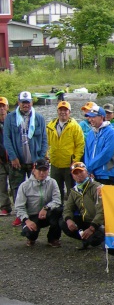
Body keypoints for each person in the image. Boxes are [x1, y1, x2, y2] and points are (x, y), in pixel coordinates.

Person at [4, 91, 48, 219]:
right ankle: (20, 215)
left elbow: (44, 140)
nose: (25, 105)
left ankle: (36, 214)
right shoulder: (10, 118)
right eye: (23, 102)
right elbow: (7, 139)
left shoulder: (39, 118)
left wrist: (39, 159)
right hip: (17, 161)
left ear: (31, 103)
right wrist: (13, 157)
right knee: (17, 188)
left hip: (34, 160)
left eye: (27, 102)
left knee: (37, 187)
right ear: (18, 103)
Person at [14, 159, 62, 248]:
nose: (42, 173)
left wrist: (46, 208)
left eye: (45, 170)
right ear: (33, 170)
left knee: (59, 211)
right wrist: (27, 220)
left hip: (47, 213)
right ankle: (31, 237)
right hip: (32, 216)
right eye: (39, 170)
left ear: (48, 171)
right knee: (29, 232)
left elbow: (57, 200)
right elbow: (19, 207)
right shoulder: (24, 185)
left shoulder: (52, 182)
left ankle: (53, 238)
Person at [59, 161, 105, 250]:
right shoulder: (74, 191)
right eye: (75, 173)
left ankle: (95, 237)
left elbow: (102, 209)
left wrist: (92, 228)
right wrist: (68, 220)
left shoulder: (97, 187)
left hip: (98, 224)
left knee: (95, 240)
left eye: (81, 171)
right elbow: (67, 208)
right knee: (63, 222)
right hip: (85, 221)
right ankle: (84, 238)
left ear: (87, 172)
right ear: (72, 176)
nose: (79, 175)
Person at [45, 100, 84, 199]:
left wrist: (76, 160)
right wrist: (46, 155)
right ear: (57, 111)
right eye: (60, 110)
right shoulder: (50, 126)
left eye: (65, 110)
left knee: (72, 189)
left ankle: (73, 210)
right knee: (56, 189)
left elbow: (80, 145)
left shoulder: (75, 127)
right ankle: (58, 208)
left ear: (69, 112)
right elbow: (46, 142)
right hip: (55, 163)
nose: (63, 112)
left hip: (69, 164)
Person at [84, 104, 114, 185]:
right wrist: (87, 170)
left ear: (102, 117)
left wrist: (90, 167)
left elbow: (106, 154)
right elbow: (87, 153)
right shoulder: (90, 133)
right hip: (91, 174)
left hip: (106, 174)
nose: (91, 119)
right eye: (90, 117)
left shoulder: (111, 133)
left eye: (93, 117)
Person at [0, 96, 12, 215]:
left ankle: (20, 208)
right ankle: (5, 207)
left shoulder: (13, 119)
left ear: (7, 107)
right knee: (1, 184)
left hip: (13, 158)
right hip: (0, 159)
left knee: (15, 185)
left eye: (3, 106)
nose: (1, 108)